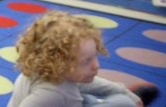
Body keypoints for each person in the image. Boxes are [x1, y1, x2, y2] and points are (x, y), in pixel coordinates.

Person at [8, 11, 159, 107]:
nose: (96, 66)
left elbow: (89, 84)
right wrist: (128, 99)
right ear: (59, 64)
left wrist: (124, 91)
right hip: (64, 101)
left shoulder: (49, 71)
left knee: (88, 97)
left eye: (94, 57)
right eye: (86, 61)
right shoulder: (52, 95)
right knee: (122, 103)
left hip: (68, 101)